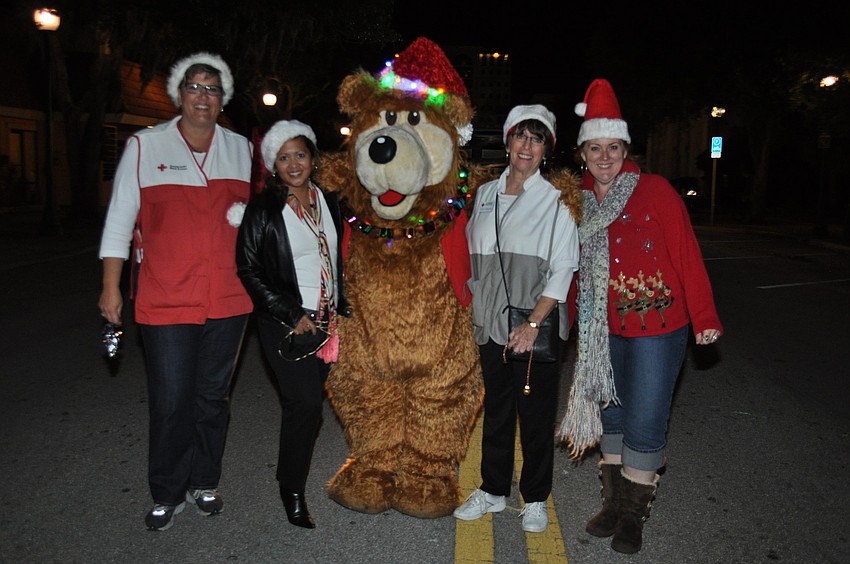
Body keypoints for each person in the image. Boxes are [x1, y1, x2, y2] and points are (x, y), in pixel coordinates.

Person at [557, 79, 723, 554]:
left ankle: (633, 516)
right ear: (582, 152)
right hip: (602, 330)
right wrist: (564, 319)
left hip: (658, 328)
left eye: (613, 147)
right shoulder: (577, 201)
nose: (604, 156)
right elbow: (569, 267)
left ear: (625, 148)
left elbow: (686, 254)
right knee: (612, 416)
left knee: (646, 420)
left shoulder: (656, 191)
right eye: (595, 147)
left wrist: (705, 314)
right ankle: (612, 504)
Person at [98, 52, 253, 531]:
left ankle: (203, 480)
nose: (202, 96)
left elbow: (264, 222)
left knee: (213, 398)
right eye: (194, 87)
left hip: (228, 298)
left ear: (222, 98)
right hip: (165, 297)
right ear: (178, 94)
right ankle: (167, 491)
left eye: (212, 89)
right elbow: (121, 219)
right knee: (170, 400)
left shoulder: (242, 149)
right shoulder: (146, 146)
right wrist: (110, 288)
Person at [455, 105, 580, 533]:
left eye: (537, 138)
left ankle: (536, 499)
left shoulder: (557, 200)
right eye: (520, 136)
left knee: (536, 415)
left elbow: (564, 265)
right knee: (498, 410)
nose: (527, 146)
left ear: (547, 149)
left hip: (533, 322)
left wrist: (532, 324)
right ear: (507, 141)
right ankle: (492, 490)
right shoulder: (485, 194)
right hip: (490, 320)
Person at [236, 120, 351, 529]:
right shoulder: (263, 209)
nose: (293, 163)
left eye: (299, 154)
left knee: (310, 403)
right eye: (283, 158)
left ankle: (292, 478)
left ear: (313, 157)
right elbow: (248, 269)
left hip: (327, 322)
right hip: (285, 322)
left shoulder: (330, 201)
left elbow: (340, 257)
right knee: (303, 404)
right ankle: (293, 489)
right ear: (273, 166)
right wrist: (290, 312)